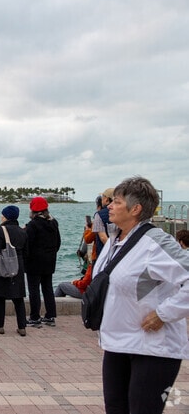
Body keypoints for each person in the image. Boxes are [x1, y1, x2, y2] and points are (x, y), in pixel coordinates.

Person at [94, 176, 189, 414]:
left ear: (135, 209)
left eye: (116, 202)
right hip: (116, 343)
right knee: (115, 408)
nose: (109, 206)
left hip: (153, 348)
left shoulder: (155, 243)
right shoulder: (115, 240)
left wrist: (164, 313)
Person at [0, 205, 28, 336]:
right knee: (18, 298)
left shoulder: (0, 230)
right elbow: (26, 251)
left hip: (4, 264)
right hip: (18, 265)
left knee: (0, 297)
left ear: (6, 216)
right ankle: (22, 327)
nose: (1, 216)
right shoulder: (23, 231)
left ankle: (0, 326)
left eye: (2, 214)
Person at [55, 196, 102, 299]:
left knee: (61, 286)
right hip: (94, 288)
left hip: (87, 291)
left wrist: (75, 282)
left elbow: (88, 239)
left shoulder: (96, 262)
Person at [24, 197, 61, 328]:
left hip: (34, 262)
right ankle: (50, 315)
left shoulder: (33, 225)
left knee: (34, 290)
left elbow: (27, 244)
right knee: (48, 288)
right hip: (49, 261)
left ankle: (35, 317)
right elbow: (58, 243)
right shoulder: (53, 223)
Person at [93, 188, 114, 261]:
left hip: (104, 253)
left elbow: (103, 238)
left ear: (106, 200)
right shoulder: (123, 213)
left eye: (102, 198)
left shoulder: (99, 215)